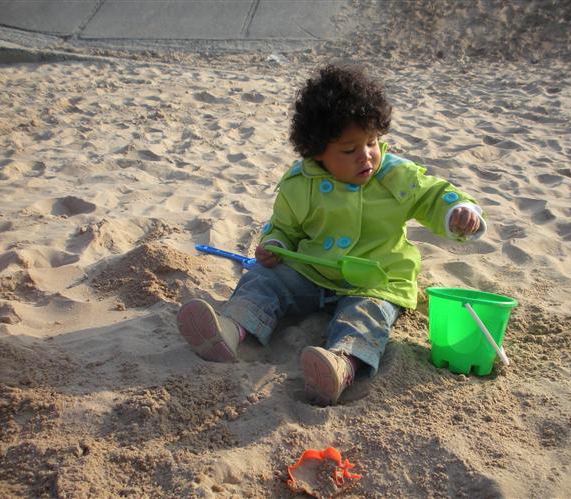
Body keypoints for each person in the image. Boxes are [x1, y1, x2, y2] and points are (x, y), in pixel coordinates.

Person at [177, 64, 486, 406]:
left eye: (372, 142)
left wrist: (457, 210)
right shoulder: (300, 183)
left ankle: (343, 365)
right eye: (349, 149)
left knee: (366, 315)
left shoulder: (397, 177)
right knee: (263, 280)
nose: (366, 155)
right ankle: (229, 330)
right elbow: (283, 228)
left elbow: (432, 195)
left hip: (377, 279)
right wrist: (275, 246)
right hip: (312, 271)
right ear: (317, 151)